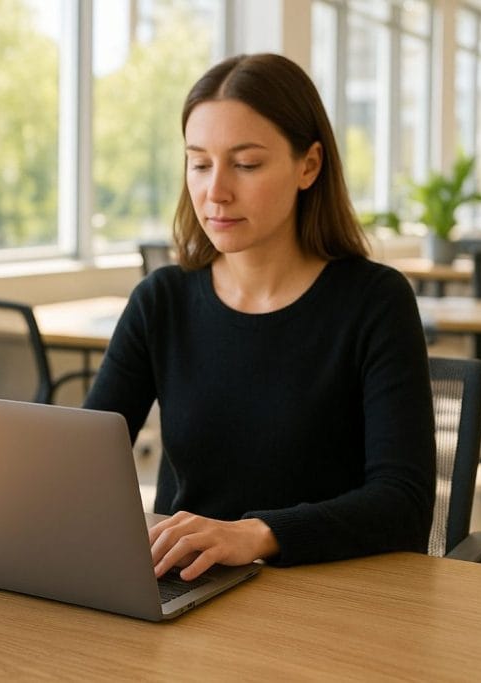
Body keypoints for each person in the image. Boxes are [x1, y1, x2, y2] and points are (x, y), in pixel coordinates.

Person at [83, 53, 436, 581]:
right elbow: (84, 462)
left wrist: (252, 535)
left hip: (331, 596)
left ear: (308, 166)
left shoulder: (375, 301)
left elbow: (403, 504)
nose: (215, 191)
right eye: (199, 163)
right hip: (187, 588)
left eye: (245, 164)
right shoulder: (161, 300)